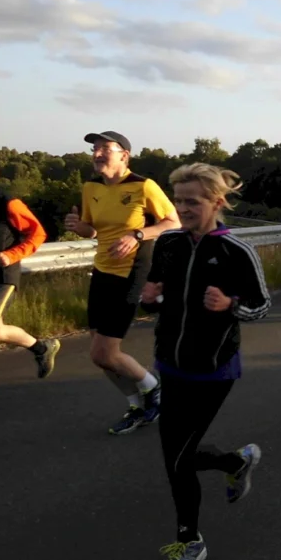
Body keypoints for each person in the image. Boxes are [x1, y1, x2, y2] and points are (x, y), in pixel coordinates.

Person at [141, 162, 271, 560]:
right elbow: (157, 300)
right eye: (178, 200)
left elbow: (262, 305)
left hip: (214, 370)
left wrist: (229, 305)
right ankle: (236, 461)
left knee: (178, 459)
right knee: (178, 458)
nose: (182, 208)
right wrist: (149, 299)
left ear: (216, 202)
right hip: (170, 364)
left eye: (192, 201)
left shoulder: (236, 251)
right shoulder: (169, 245)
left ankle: (190, 543)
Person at [63, 131, 180, 435]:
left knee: (103, 353)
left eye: (105, 148)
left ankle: (154, 389)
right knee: (100, 353)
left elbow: (173, 221)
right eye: (94, 148)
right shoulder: (91, 187)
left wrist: (138, 234)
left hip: (132, 272)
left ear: (124, 155)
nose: (97, 153)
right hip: (102, 271)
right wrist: (79, 227)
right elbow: (91, 231)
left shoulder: (143, 186)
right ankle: (137, 405)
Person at [0, 156, 61, 376]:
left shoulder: (7, 202)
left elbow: (37, 233)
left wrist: (11, 255)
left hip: (1, 276)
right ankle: (42, 348)